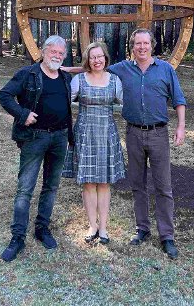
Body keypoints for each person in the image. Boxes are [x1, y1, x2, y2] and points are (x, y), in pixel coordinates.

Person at [62, 28, 186, 259]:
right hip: (133, 133)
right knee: (137, 184)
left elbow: (179, 99)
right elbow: (94, 66)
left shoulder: (166, 70)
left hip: (159, 133)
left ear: (152, 45)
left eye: (145, 43)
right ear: (132, 46)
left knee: (163, 186)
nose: (141, 47)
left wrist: (181, 126)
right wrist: (67, 69)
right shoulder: (123, 69)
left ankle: (167, 236)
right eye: (137, 43)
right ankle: (142, 229)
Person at [0, 35, 74, 262]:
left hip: (60, 139)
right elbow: (4, 95)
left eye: (61, 53)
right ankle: (17, 237)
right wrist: (23, 114)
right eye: (54, 52)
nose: (57, 56)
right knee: (25, 189)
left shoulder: (65, 78)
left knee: (51, 187)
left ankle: (42, 229)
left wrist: (69, 137)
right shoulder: (28, 74)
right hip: (34, 138)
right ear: (43, 51)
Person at [62, 42, 125, 244]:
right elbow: (63, 103)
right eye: (92, 57)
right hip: (84, 133)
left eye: (99, 56)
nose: (96, 60)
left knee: (104, 183)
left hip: (107, 134)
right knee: (88, 183)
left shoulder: (115, 80)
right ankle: (92, 225)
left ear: (105, 58)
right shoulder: (78, 80)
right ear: (87, 60)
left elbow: (127, 102)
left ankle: (104, 228)